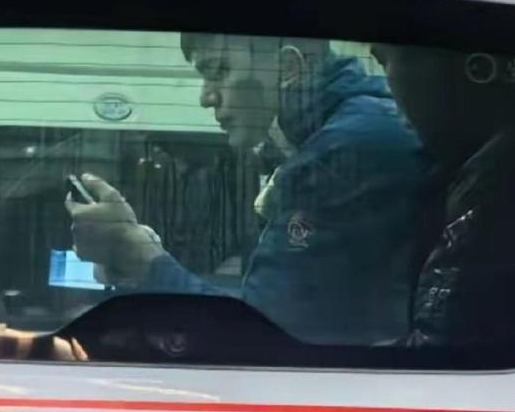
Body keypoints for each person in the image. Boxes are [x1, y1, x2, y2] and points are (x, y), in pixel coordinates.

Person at [66, 34, 435, 345]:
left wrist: (140, 258)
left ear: (288, 69)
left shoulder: (343, 152)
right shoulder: (346, 132)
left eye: (219, 71)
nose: (206, 97)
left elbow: (258, 334)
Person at [371, 44, 515, 349]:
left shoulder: (507, 182)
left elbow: (450, 347)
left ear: (474, 68)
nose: (389, 89)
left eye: (386, 62)